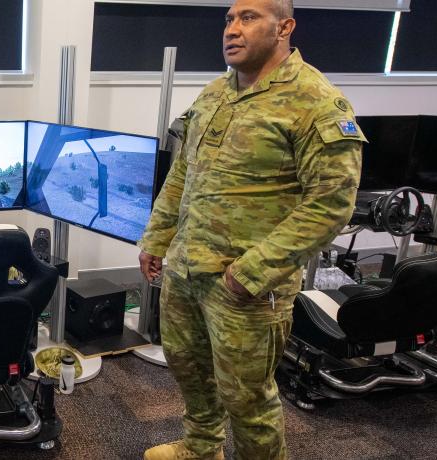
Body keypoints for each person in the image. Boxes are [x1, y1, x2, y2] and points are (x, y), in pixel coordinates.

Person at [138, 0, 364, 458]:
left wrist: (253, 271)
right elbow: (184, 172)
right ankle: (201, 448)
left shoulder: (314, 100)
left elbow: (331, 203)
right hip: (186, 270)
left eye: (248, 18)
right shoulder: (215, 94)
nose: (232, 30)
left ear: (285, 26)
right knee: (189, 370)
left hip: (246, 286)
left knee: (247, 398)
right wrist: (157, 238)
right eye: (228, 20)